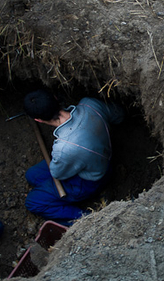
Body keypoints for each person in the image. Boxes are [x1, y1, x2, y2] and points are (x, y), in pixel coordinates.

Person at [23, 88, 125, 224]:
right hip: (101, 158)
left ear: (38, 120)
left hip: (92, 180)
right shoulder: (89, 104)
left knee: (33, 202)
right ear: (55, 98)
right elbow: (119, 115)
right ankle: (50, 191)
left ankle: (87, 219)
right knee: (32, 175)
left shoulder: (63, 147)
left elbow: (58, 173)